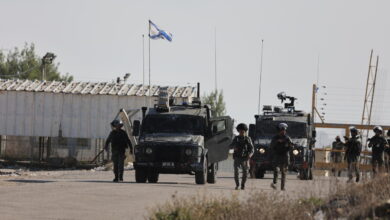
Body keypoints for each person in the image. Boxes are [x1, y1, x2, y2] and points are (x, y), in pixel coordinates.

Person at [230, 123, 254, 190]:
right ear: (238, 131)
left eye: (243, 131)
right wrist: (234, 147)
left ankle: (243, 185)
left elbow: (252, 149)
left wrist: (250, 155)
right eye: (240, 131)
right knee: (236, 172)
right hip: (237, 158)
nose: (242, 133)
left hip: (245, 158)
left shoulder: (248, 139)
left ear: (245, 131)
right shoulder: (236, 138)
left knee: (245, 173)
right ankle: (237, 185)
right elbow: (230, 146)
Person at [270, 123, 293, 191]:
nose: (283, 131)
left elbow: (291, 146)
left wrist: (289, 145)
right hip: (277, 155)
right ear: (279, 131)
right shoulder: (275, 138)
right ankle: (274, 183)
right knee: (276, 170)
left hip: (285, 156)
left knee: (283, 172)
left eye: (284, 130)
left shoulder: (287, 138)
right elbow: (271, 146)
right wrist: (277, 142)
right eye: (282, 130)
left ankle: (282, 187)